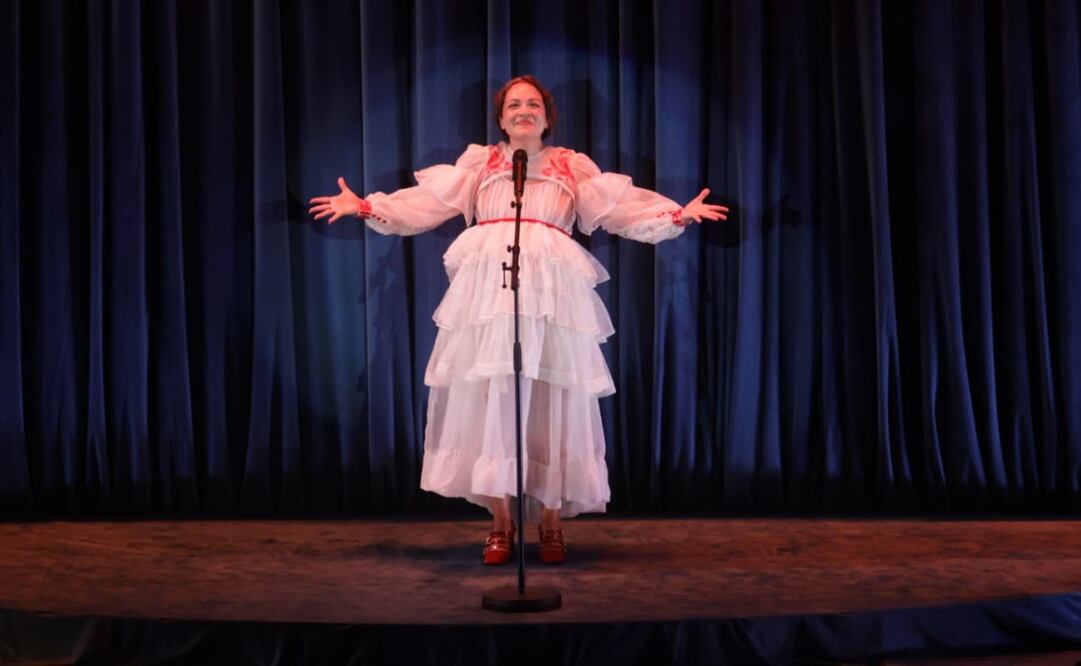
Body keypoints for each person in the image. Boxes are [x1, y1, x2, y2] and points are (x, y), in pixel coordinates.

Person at [309, 75, 727, 565]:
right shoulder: (480, 166)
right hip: (488, 299)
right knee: (493, 399)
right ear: (502, 117)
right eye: (513, 105)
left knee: (553, 398)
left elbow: (620, 210)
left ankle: (551, 525)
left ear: (547, 118)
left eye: (532, 104)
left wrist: (674, 214)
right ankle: (501, 525)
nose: (523, 110)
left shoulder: (571, 168)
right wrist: (365, 206)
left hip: (552, 300)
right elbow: (425, 206)